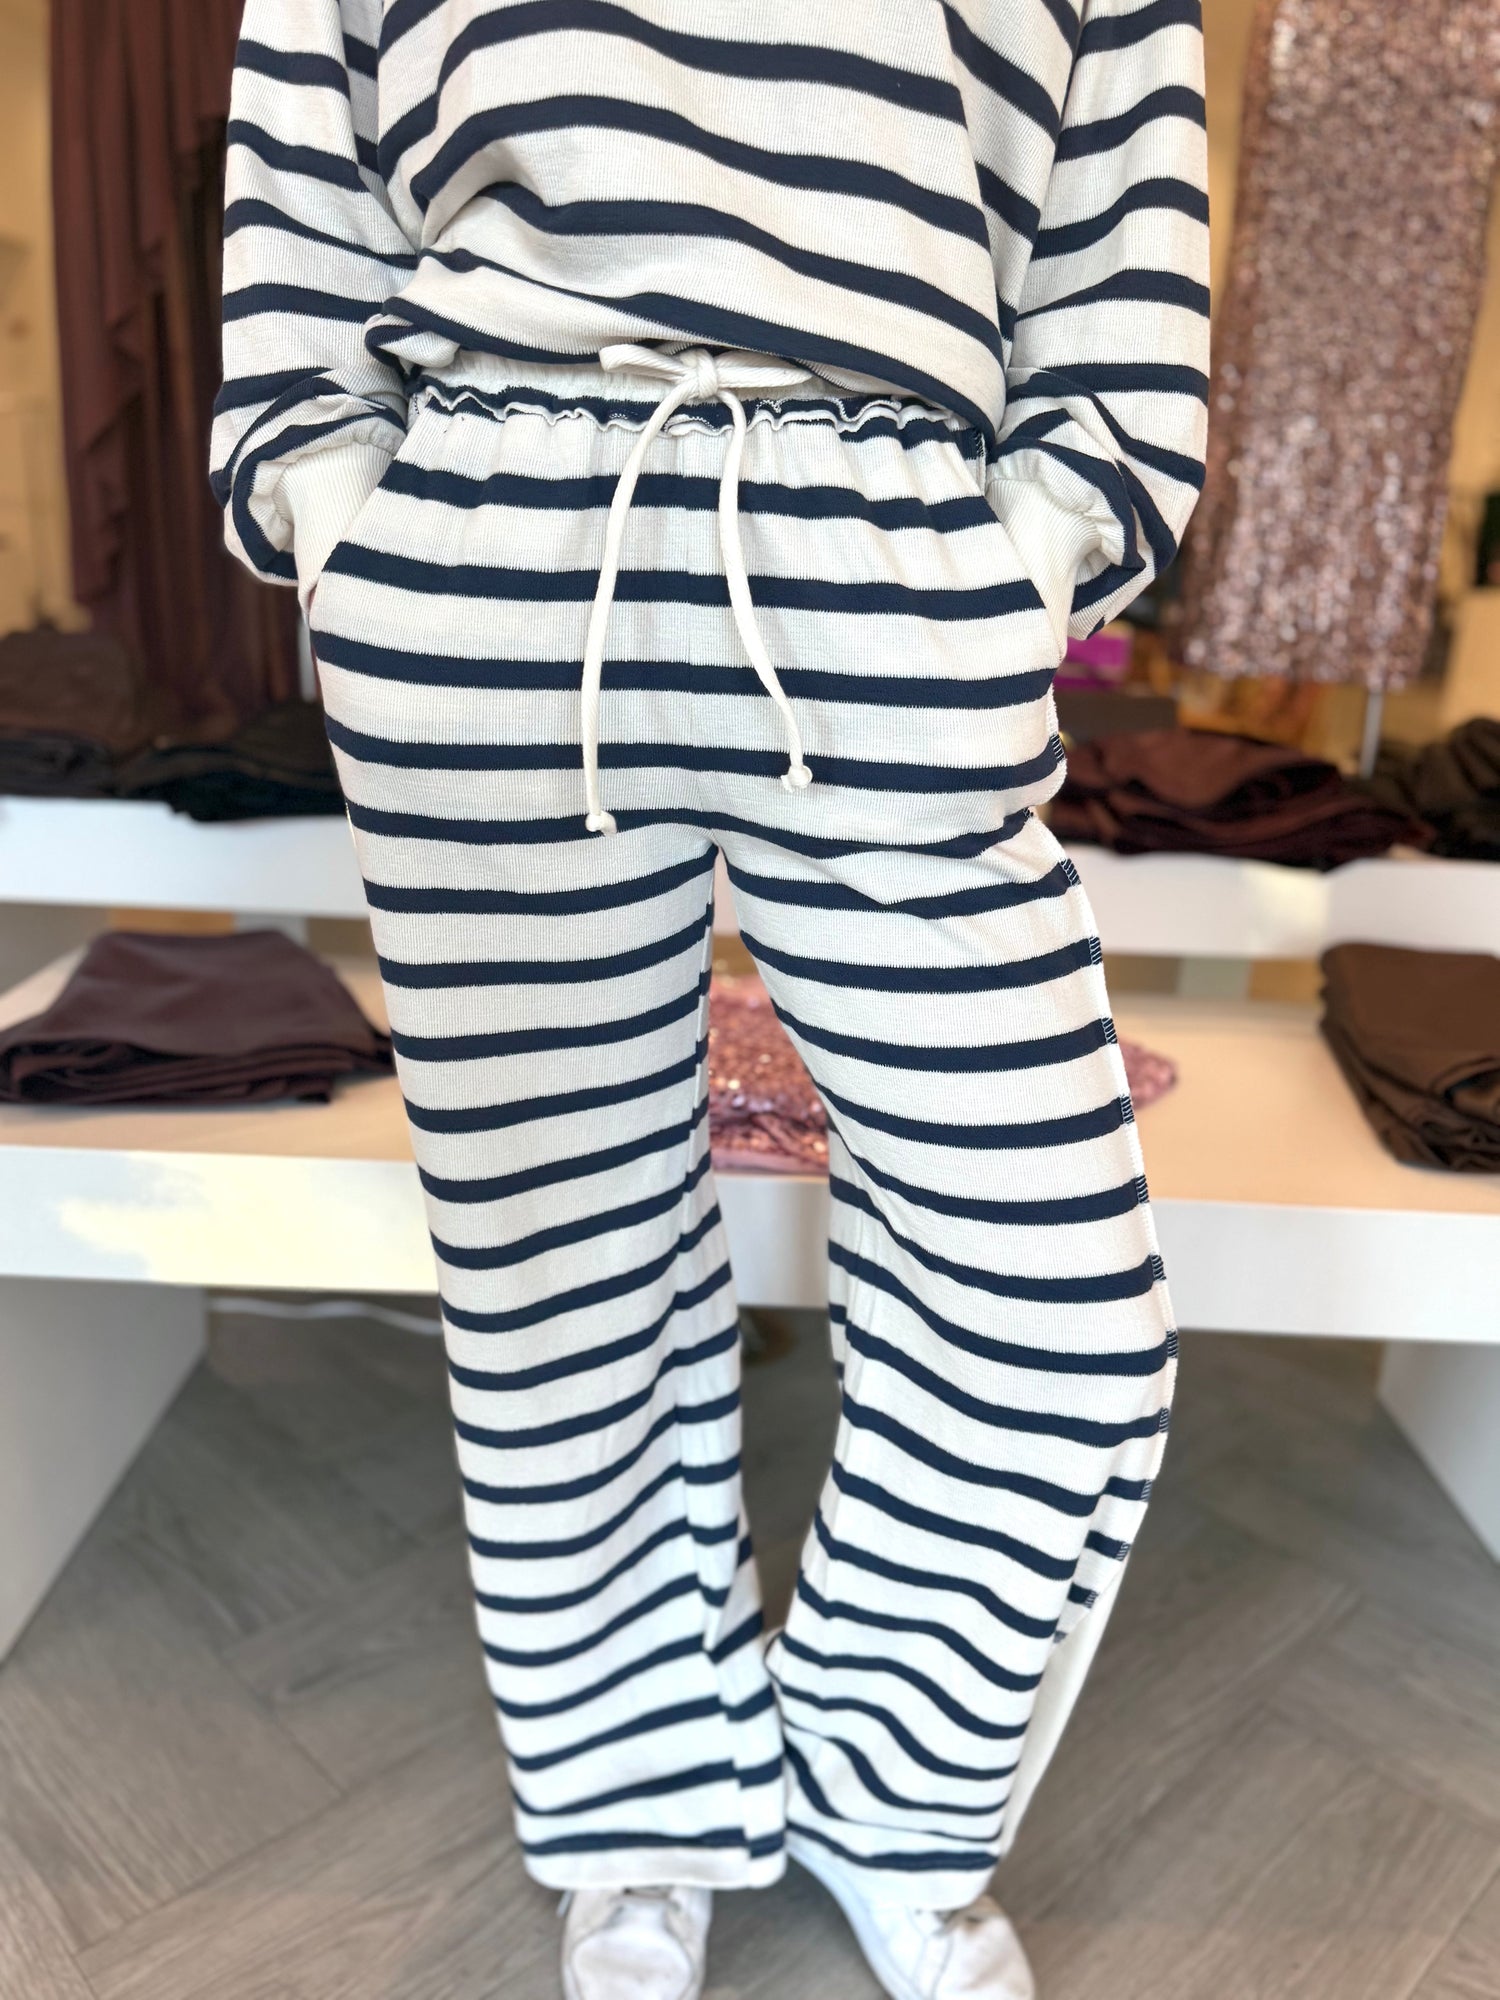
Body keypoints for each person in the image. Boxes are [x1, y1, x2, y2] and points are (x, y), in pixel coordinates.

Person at [213, 4, 1208, 1994]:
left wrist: (1045, 539)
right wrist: (331, 506)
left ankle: (879, 1795)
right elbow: (303, 166)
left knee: (1058, 1312)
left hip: (891, 539)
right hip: (497, 537)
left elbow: (1121, 212)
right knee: (554, 1271)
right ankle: (642, 1810)